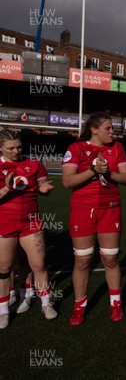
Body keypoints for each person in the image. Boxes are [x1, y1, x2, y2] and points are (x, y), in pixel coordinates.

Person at [62, 113, 126, 326]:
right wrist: (93, 170)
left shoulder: (117, 148)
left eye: (112, 128)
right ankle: (79, 306)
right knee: (82, 260)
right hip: (83, 211)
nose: (112, 132)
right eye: (108, 128)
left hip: (110, 209)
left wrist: (108, 172)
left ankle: (115, 302)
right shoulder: (76, 149)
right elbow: (67, 181)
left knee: (110, 259)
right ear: (94, 129)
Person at [0, 128, 57, 328]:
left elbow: (42, 185)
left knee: (39, 264)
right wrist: (7, 188)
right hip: (5, 223)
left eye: (19, 147)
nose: (16, 151)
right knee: (5, 268)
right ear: (1, 148)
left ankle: (45, 303)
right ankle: (4, 310)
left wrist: (44, 189)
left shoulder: (34, 164)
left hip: (31, 222)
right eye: (10, 148)